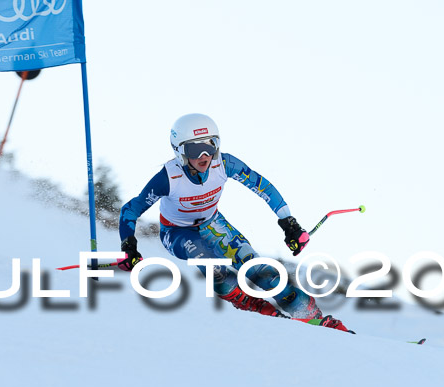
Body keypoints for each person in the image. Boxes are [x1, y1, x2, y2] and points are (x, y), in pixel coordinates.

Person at [117, 113, 351, 332]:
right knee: (210, 262)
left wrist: (288, 223)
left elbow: (263, 186)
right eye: (195, 149)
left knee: (261, 271)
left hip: (213, 223)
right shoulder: (168, 178)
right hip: (177, 232)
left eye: (210, 146)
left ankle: (313, 318)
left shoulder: (224, 164)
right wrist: (129, 246)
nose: (204, 156)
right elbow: (131, 209)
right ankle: (257, 308)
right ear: (179, 150)